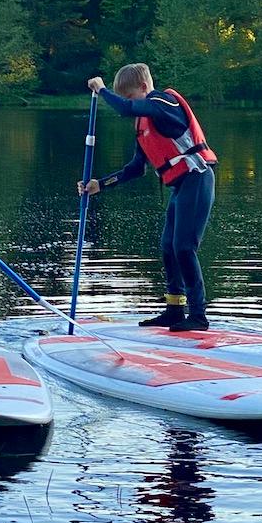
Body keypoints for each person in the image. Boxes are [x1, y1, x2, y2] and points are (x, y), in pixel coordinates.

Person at [78, 63, 217, 332]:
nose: (130, 105)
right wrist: (100, 184)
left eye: (131, 97)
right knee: (168, 247)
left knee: (184, 247)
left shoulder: (163, 102)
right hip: (181, 187)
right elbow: (136, 169)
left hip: (198, 177)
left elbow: (125, 108)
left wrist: (102, 90)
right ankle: (175, 310)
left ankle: (198, 316)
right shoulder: (143, 124)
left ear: (143, 88)